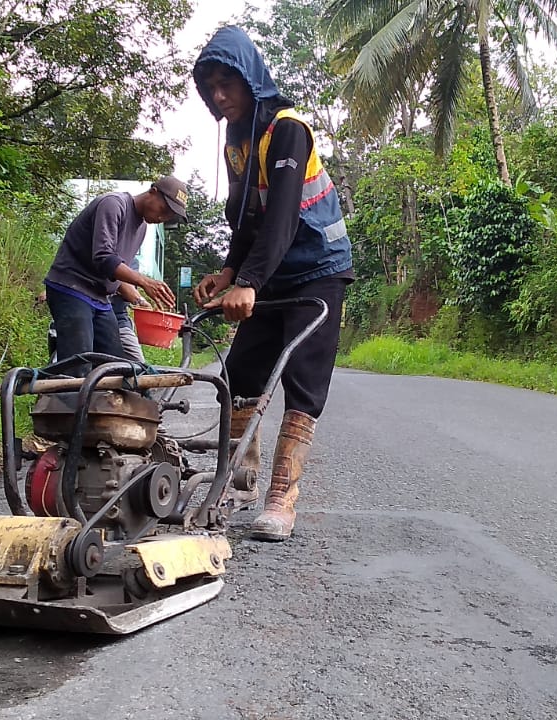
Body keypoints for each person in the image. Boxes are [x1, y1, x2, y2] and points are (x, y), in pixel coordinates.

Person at [192, 26, 354, 542]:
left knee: (303, 379)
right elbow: (247, 220)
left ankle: (282, 496)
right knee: (240, 375)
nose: (220, 96)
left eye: (228, 83)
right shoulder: (237, 145)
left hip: (318, 268)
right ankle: (238, 479)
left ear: (251, 79)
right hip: (270, 274)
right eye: (210, 87)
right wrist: (228, 273)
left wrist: (249, 282)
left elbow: (282, 215)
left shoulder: (287, 129)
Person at [43, 178, 183, 375]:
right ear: (152, 192)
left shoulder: (141, 228)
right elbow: (104, 258)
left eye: (170, 215)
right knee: (79, 366)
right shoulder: (113, 204)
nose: (164, 217)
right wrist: (144, 282)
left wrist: (139, 299)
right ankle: (62, 401)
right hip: (71, 288)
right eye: (165, 208)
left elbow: (118, 272)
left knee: (115, 368)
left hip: (100, 299)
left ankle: (102, 403)